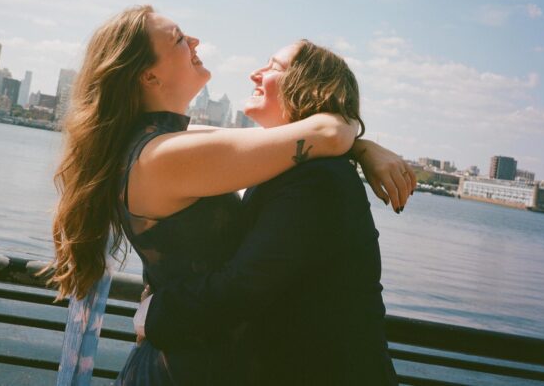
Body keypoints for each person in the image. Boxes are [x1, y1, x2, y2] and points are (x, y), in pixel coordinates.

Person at [48, 6, 413, 384]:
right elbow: (330, 133)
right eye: (177, 38)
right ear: (149, 75)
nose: (194, 41)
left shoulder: (165, 145)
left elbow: (289, 142)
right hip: (186, 367)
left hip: (193, 358)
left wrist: (362, 146)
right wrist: (356, 136)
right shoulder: (167, 156)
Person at [135, 40, 402, 385]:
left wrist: (155, 313)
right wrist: (359, 143)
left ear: (311, 88)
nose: (254, 74)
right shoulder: (290, 167)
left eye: (274, 66)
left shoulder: (315, 179)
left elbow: (246, 284)